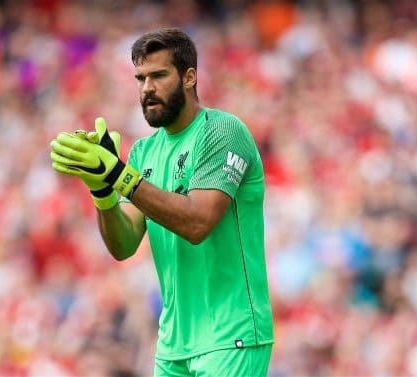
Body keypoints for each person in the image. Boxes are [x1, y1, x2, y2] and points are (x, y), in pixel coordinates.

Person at [50, 28, 274, 377]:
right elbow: (123, 244)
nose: (147, 88)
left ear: (189, 77)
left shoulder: (222, 131)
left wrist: (120, 175)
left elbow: (198, 223)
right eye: (140, 78)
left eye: (158, 76)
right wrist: (102, 191)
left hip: (232, 337)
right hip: (173, 346)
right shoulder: (144, 151)